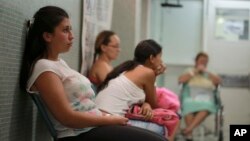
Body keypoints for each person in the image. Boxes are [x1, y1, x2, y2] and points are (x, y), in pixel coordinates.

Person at [19, 6, 167, 141]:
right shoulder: (44, 67)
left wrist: (108, 117)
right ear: (47, 36)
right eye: (65, 30)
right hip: (78, 133)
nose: (72, 36)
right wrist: (109, 119)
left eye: (71, 29)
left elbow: (86, 107)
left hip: (93, 127)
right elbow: (66, 117)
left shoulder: (59, 63)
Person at [95, 39, 172, 136]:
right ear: (152, 58)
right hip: (109, 123)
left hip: (98, 118)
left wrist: (146, 104)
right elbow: (154, 105)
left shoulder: (128, 68)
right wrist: (155, 76)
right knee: (162, 129)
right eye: (160, 57)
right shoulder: (148, 73)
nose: (161, 61)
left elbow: (141, 98)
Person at [178, 52, 221, 141]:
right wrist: (196, 71)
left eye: (205, 61)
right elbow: (181, 80)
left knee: (207, 106)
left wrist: (206, 72)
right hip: (190, 96)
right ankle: (189, 135)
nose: (203, 63)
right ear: (196, 61)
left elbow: (218, 82)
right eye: (201, 61)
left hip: (206, 98)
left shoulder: (210, 72)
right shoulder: (189, 70)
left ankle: (188, 130)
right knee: (187, 104)